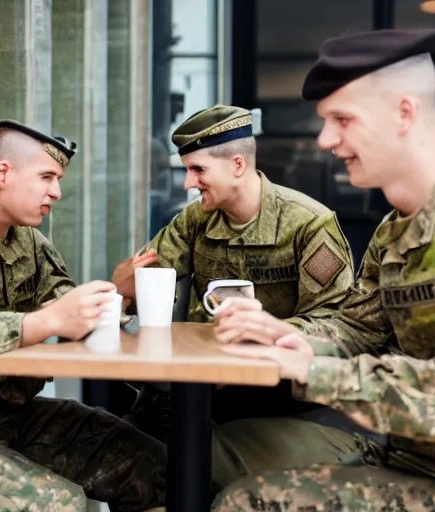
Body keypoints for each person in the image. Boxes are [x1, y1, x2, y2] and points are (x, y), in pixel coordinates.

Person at [212, 28, 435, 510]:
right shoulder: (392, 231)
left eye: (342, 119)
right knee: (192, 458)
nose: (325, 140)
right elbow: (356, 329)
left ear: (405, 113)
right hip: (400, 453)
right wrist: (284, 335)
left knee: (244, 502)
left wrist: (312, 370)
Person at [112, 105, 366, 488]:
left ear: (236, 165)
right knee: (125, 450)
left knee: (185, 466)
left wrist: (266, 335)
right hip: (208, 392)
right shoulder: (195, 221)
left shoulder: (309, 224)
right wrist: (122, 289)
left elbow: (336, 325)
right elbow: (145, 276)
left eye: (197, 170)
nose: (187, 184)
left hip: (284, 401)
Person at [0, 120, 166, 512]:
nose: (57, 192)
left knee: (159, 470)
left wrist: (116, 296)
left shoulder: (29, 241)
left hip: (15, 416)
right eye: (47, 177)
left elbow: (67, 307)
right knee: (59, 505)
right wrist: (42, 322)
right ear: (3, 173)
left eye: (58, 179)